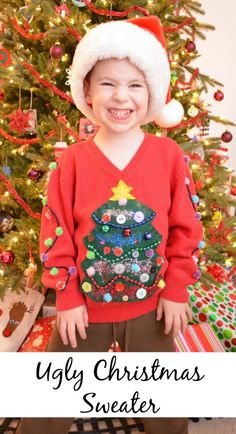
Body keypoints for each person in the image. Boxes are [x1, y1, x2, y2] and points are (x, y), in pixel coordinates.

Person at [17, 15, 203, 434]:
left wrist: (176, 289)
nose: (122, 96)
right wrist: (65, 295)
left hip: (153, 308)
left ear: (152, 93)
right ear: (87, 90)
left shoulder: (169, 156)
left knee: (165, 408)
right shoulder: (72, 162)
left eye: (135, 85)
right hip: (82, 310)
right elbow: (57, 231)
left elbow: (186, 227)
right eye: (108, 83)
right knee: (49, 405)